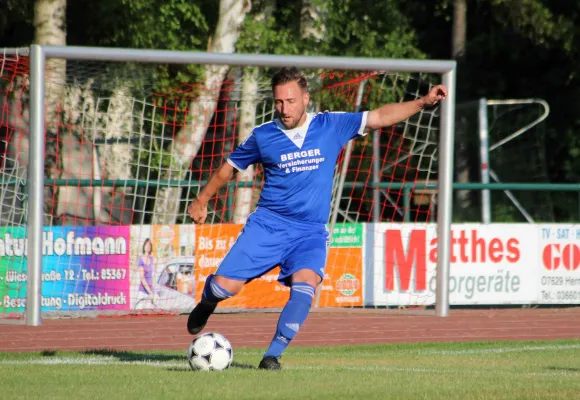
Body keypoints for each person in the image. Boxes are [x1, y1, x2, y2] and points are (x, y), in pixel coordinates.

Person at [187, 67, 447, 370]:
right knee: (223, 288)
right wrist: (201, 199)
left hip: (309, 232)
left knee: (306, 286)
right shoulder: (264, 135)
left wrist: (422, 103)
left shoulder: (331, 125)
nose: (285, 108)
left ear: (306, 98)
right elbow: (229, 169)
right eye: (279, 102)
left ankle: (272, 356)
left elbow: (379, 116)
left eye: (291, 100)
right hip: (269, 225)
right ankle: (207, 302)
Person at [135, 238, 157, 308]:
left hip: (150, 292)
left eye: (149, 245)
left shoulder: (152, 259)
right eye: (146, 245)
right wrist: (150, 292)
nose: (148, 246)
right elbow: (142, 278)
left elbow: (160, 261)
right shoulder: (140, 260)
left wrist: (152, 292)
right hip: (143, 292)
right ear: (144, 246)